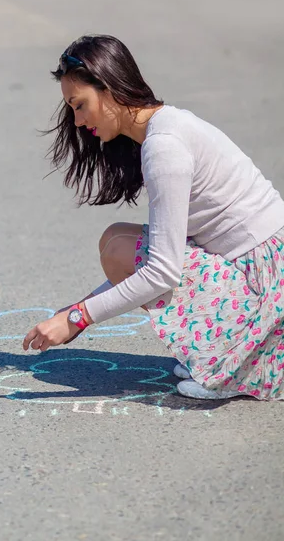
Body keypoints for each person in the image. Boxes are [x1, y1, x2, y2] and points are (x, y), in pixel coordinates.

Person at [22, 34, 284, 401]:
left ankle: (231, 369)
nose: (78, 121)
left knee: (119, 249)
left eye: (80, 105)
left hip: (269, 290)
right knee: (116, 240)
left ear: (110, 88)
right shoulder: (164, 127)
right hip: (261, 274)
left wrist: (77, 318)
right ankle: (221, 352)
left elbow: (162, 271)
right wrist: (77, 310)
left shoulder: (165, 147)